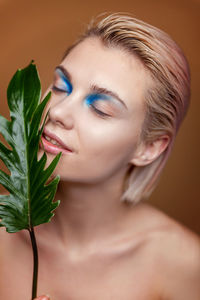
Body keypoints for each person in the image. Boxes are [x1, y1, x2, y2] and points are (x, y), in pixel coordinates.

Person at [0, 13, 200, 300]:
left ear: (150, 147)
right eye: (60, 86)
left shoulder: (182, 264)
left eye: (101, 108)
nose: (57, 112)